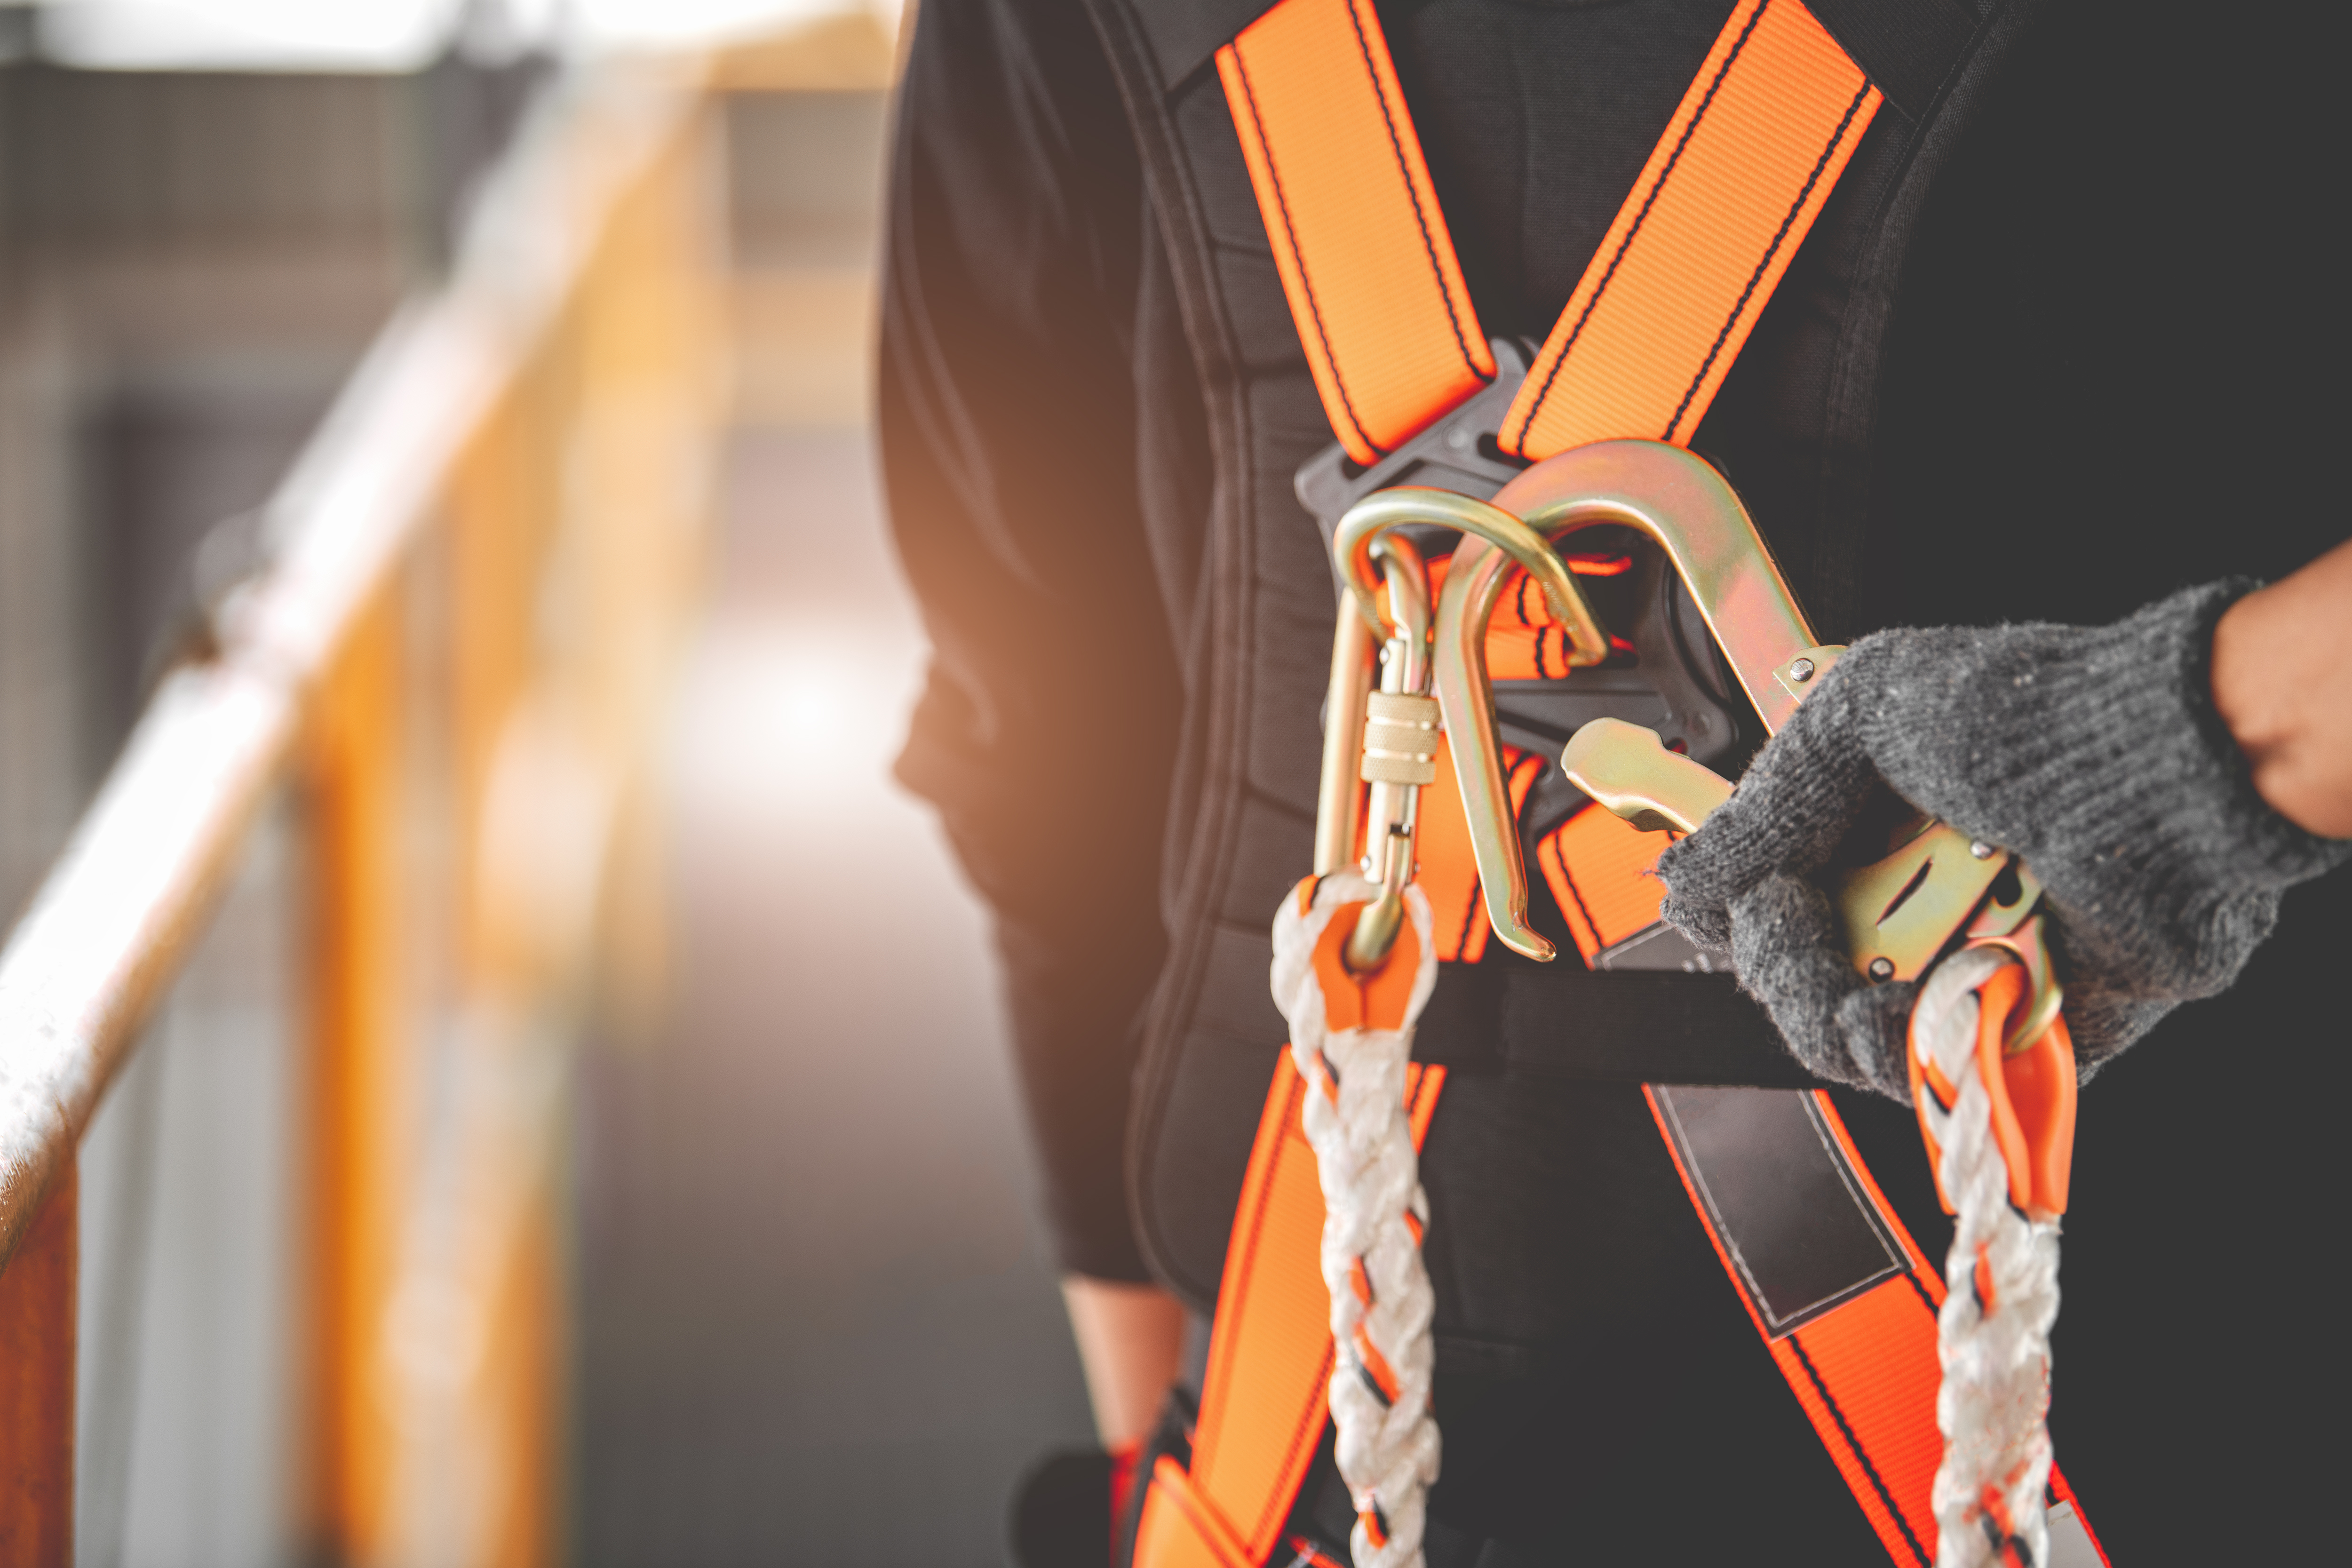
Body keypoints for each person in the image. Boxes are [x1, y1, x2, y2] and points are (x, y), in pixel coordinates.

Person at [877, 1, 2350, 1560]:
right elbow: (1038, 750)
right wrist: (2220, 729)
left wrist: (1160, 1454)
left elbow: (1038, 752)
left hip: (1303, 1442)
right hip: (2103, 1412)